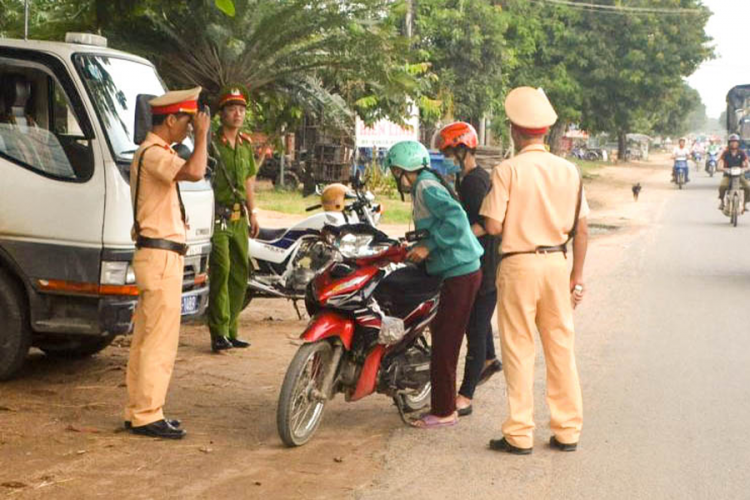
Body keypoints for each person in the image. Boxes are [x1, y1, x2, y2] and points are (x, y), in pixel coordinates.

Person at [480, 87, 589, 454]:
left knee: (518, 347)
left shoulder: (507, 170)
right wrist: (577, 275)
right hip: (558, 263)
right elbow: (582, 228)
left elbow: (493, 226)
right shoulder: (570, 171)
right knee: (560, 346)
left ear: (514, 129)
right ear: (545, 131)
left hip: (519, 264)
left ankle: (519, 433)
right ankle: (567, 430)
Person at [125, 87, 210, 439]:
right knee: (159, 339)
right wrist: (204, 136)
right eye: (187, 122)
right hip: (160, 257)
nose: (190, 129)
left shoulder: (152, 153)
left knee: (147, 338)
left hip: (157, 255)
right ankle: (147, 413)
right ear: (170, 119)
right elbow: (196, 172)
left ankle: (139, 409)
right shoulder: (155, 154)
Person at [385, 140, 483, 429]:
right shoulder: (423, 185)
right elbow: (438, 223)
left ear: (404, 170)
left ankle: (444, 411)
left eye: (395, 171)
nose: (394, 177)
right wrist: (417, 244)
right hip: (454, 269)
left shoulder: (426, 187)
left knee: (446, 342)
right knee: (441, 334)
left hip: (460, 271)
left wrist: (429, 247)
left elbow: (456, 219)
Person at [433, 121, 502, 417]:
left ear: (463, 150)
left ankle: (466, 396)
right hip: (482, 260)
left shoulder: (474, 182)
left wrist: (456, 238)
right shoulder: (468, 178)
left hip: (485, 264)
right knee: (479, 319)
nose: (446, 157)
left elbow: (486, 225)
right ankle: (488, 359)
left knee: (474, 328)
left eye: (449, 151)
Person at [207, 85, 259, 352]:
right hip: (218, 216)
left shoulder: (245, 145)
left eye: (241, 109)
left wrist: (254, 212)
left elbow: (249, 180)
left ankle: (231, 329)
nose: (237, 114)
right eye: (231, 109)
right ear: (221, 114)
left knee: (240, 272)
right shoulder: (211, 145)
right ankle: (218, 331)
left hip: (240, 218)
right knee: (222, 269)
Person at [718, 133, 750, 210]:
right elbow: (720, 162)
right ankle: (722, 201)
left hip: (739, 174)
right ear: (729, 143)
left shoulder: (741, 152)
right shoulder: (725, 153)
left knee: (748, 187)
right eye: (732, 142)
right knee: (722, 186)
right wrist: (721, 168)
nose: (733, 143)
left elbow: (747, 162)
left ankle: (745, 203)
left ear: (738, 143)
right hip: (728, 174)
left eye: (735, 141)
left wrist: (747, 168)